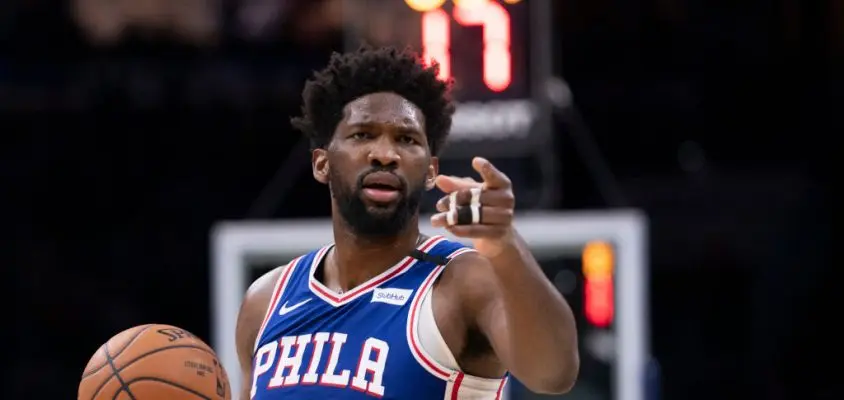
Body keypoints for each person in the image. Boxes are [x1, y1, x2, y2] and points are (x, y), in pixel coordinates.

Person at [235, 45, 579, 400]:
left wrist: (505, 244)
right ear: (322, 164)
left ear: (430, 171)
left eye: (406, 139)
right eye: (362, 134)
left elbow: (553, 374)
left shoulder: (463, 282)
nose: (385, 154)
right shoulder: (267, 301)